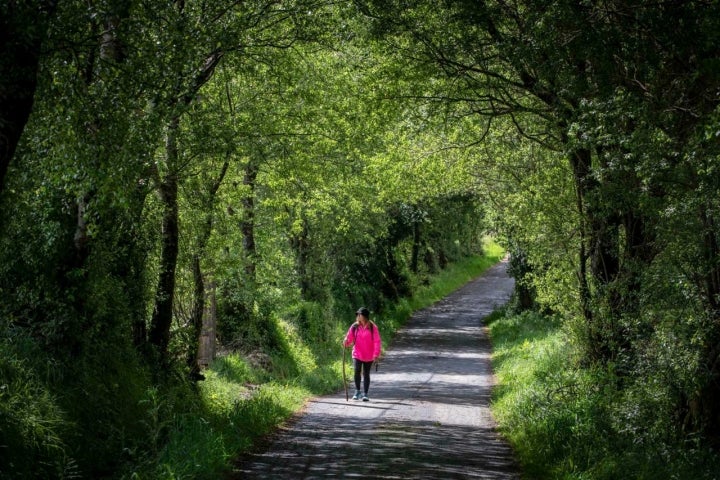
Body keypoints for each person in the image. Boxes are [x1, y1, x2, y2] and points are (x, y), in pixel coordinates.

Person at [343, 307, 382, 401]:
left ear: (364, 316)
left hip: (369, 355)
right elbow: (349, 337)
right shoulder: (355, 326)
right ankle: (357, 391)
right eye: (357, 314)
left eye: (359, 314)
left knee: (366, 373)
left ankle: (365, 394)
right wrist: (346, 341)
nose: (358, 316)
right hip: (357, 353)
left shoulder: (373, 327)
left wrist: (376, 354)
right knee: (357, 370)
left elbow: (377, 341)